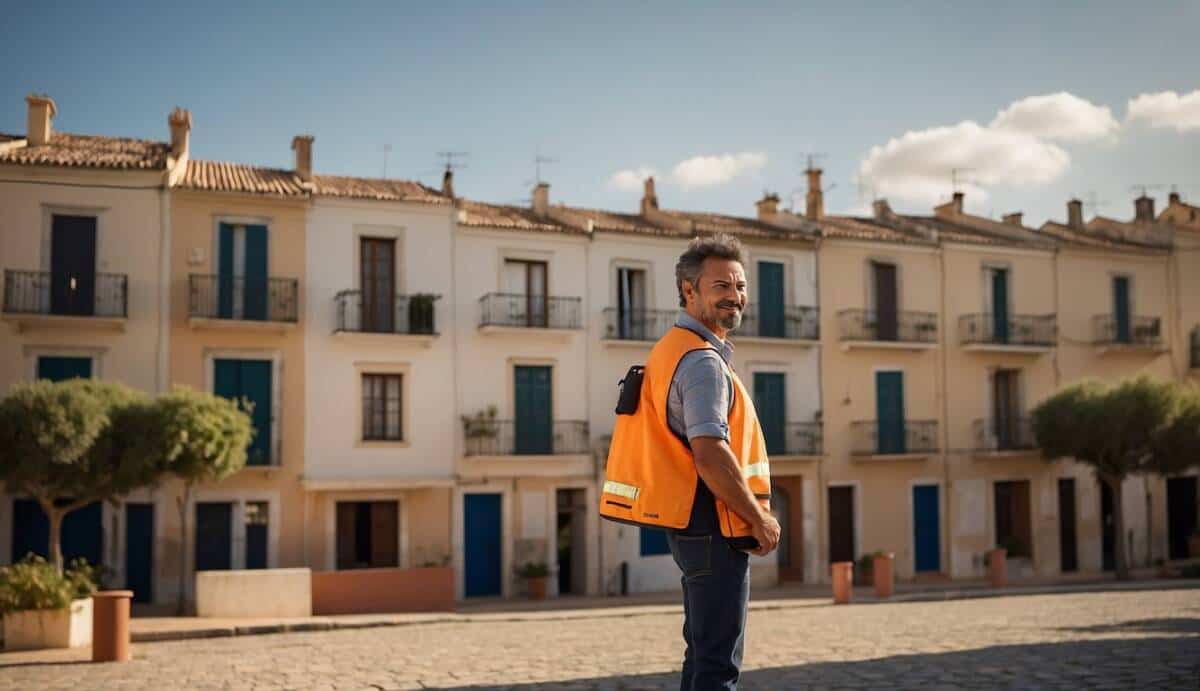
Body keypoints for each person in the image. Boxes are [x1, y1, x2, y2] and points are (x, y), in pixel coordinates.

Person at [601, 233, 781, 690]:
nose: (735, 297)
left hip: (691, 524)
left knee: (701, 654)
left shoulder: (670, 348)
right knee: (718, 664)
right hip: (715, 524)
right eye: (721, 286)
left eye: (740, 286)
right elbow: (710, 452)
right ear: (689, 291)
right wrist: (758, 518)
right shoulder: (701, 362)